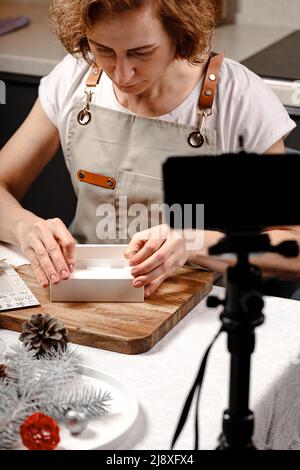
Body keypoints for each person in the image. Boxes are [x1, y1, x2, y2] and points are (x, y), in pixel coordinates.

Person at [0, 0, 299, 298]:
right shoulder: (74, 77)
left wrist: (192, 243)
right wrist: (26, 228)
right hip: (85, 300)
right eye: (103, 50)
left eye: (141, 53)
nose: (121, 74)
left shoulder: (239, 99)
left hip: (197, 311)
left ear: (180, 33)